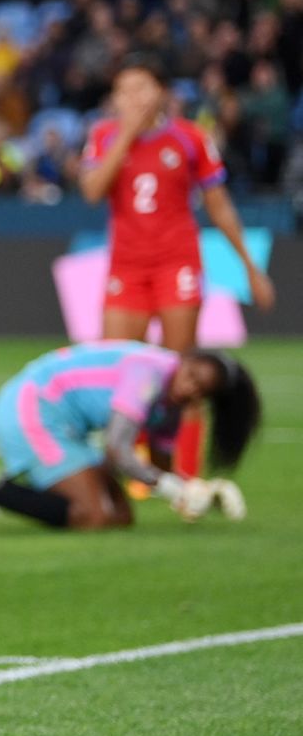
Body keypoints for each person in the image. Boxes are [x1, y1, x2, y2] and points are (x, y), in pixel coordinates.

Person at [79, 54, 275, 477]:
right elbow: (93, 190)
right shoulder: (103, 136)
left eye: (140, 88)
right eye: (123, 90)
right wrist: (127, 134)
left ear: (162, 92)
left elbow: (218, 205)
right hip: (127, 267)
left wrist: (250, 268)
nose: (131, 98)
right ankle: (127, 472)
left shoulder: (189, 138)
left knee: (181, 373)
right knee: (118, 371)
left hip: (176, 264)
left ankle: (184, 477)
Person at [0, 342, 259, 534]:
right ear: (184, 361)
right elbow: (118, 449)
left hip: (69, 428)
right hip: (32, 407)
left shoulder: (175, 406)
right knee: (94, 516)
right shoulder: (149, 375)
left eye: (200, 391)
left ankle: (7, 485)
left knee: (122, 518)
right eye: (190, 377)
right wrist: (177, 488)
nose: (189, 388)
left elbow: (158, 469)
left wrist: (196, 493)